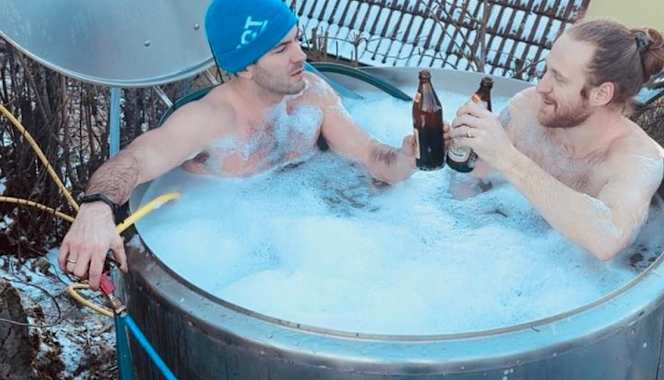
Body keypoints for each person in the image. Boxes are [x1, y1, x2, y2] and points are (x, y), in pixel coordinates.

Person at [59, 0, 420, 288]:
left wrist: (406, 158)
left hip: (311, 244)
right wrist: (97, 207)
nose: (301, 56)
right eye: (281, 49)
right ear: (245, 66)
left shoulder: (312, 95)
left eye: (297, 39)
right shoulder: (209, 120)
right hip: (232, 258)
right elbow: (135, 160)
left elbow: (370, 155)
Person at [450, 19, 664, 261]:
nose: (541, 87)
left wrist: (507, 158)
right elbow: (469, 184)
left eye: (559, 78)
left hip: (567, 275)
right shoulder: (527, 109)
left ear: (601, 94)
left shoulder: (635, 159)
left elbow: (607, 240)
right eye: (547, 70)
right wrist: (450, 146)